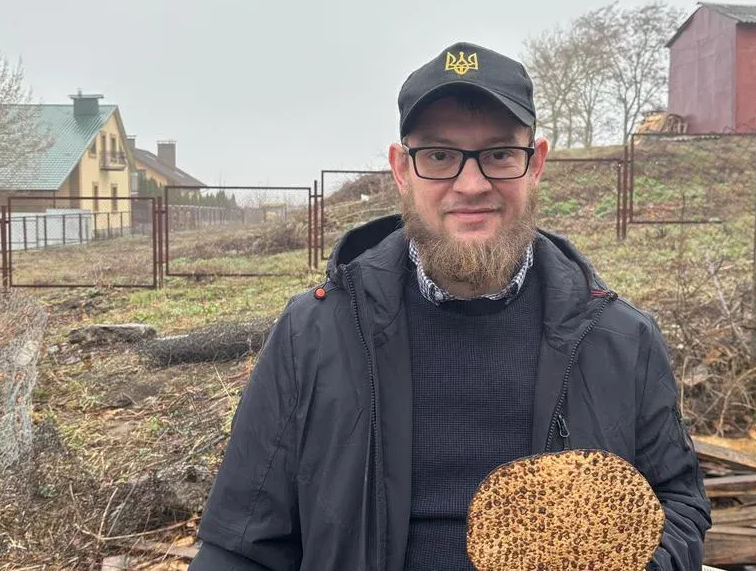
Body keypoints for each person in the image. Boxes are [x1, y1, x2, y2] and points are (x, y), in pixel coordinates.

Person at [189, 41, 711, 571]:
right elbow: (241, 544)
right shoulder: (315, 334)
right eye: (439, 155)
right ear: (401, 169)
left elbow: (679, 505)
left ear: (537, 165)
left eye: (499, 154)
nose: (471, 183)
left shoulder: (619, 339)